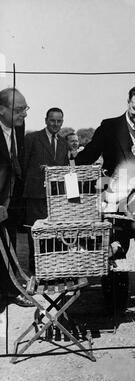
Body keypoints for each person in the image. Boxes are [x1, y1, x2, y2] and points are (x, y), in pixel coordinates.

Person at [75, 86, 135, 319]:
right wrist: (73, 167)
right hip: (115, 201)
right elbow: (86, 157)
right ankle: (115, 301)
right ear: (127, 102)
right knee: (116, 248)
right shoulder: (109, 126)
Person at [22, 108, 69, 273]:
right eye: (52, 120)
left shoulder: (64, 143)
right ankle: (35, 273)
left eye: (59, 121)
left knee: (55, 235)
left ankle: (52, 271)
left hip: (56, 198)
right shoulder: (32, 138)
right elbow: (23, 166)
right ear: (46, 120)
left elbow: (65, 171)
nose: (56, 124)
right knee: (35, 234)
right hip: (35, 196)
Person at [0, 87, 33, 307]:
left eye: (25, 108)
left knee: (8, 245)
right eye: (19, 109)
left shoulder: (18, 130)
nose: (25, 114)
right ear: (1, 110)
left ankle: (10, 290)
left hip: (12, 203)